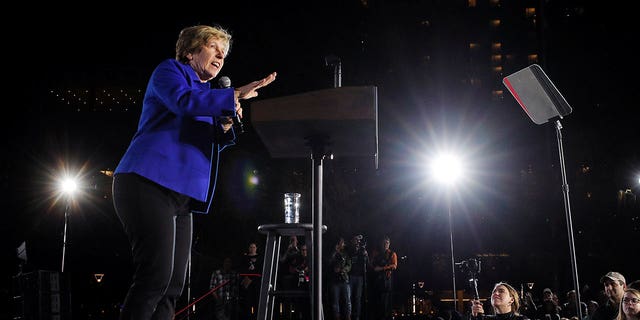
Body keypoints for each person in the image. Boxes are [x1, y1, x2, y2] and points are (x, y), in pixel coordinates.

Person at [111, 24, 277, 320]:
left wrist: (225, 124)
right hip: (146, 183)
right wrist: (233, 95)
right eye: (214, 48)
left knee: (174, 287)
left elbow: (208, 140)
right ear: (190, 51)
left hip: (182, 198)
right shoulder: (170, 72)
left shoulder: (208, 96)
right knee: (154, 278)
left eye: (224, 54)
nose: (220, 56)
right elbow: (182, 102)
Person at [370, 236, 397, 320]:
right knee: (376, 302)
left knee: (385, 303)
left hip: (386, 282)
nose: (385, 244)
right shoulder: (376, 253)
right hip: (376, 281)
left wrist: (382, 268)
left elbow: (394, 266)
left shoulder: (392, 253)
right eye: (384, 242)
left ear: (389, 244)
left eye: (387, 243)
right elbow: (371, 264)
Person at [330, 237, 352, 320]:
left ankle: (348, 317)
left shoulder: (346, 253)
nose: (344, 244)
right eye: (342, 243)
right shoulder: (333, 253)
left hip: (344, 280)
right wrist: (335, 252)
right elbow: (329, 262)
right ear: (338, 244)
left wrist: (343, 269)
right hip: (335, 281)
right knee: (335, 302)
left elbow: (349, 265)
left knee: (347, 301)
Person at [348, 234, 369, 320]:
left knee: (357, 298)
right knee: (349, 298)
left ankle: (357, 317)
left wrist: (366, 255)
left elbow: (367, 263)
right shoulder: (349, 250)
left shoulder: (362, 251)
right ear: (352, 241)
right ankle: (348, 315)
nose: (357, 242)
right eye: (356, 240)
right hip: (350, 276)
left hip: (359, 277)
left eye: (359, 241)